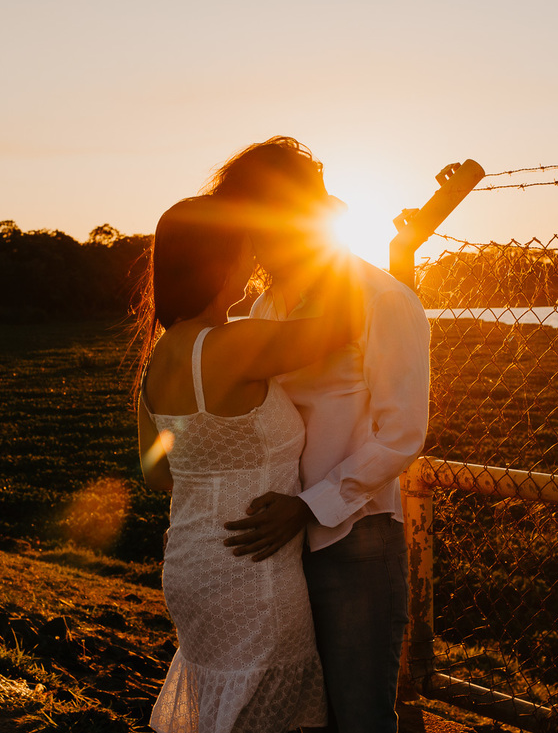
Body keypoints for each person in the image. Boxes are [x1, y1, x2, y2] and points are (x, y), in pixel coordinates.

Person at [214, 137, 432, 733]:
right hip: (277, 546)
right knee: (297, 716)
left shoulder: (384, 298)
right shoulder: (265, 306)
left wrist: (309, 506)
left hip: (353, 539)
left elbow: (402, 433)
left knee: (360, 718)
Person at [135, 195, 359, 733]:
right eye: (243, 247)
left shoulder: (159, 358)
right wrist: (331, 233)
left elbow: (157, 472)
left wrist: (215, 461)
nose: (254, 257)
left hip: (191, 565)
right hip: (250, 570)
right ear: (218, 261)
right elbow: (341, 324)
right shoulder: (234, 344)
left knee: (223, 711)